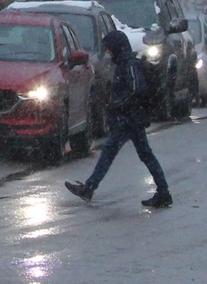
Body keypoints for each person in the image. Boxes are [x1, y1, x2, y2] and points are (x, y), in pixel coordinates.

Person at [68, 24, 173, 209]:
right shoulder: (125, 63)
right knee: (143, 154)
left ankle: (90, 188)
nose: (108, 52)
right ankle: (163, 192)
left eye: (109, 48)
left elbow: (136, 89)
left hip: (129, 119)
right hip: (130, 118)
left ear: (117, 47)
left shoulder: (129, 64)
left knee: (110, 152)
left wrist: (119, 104)